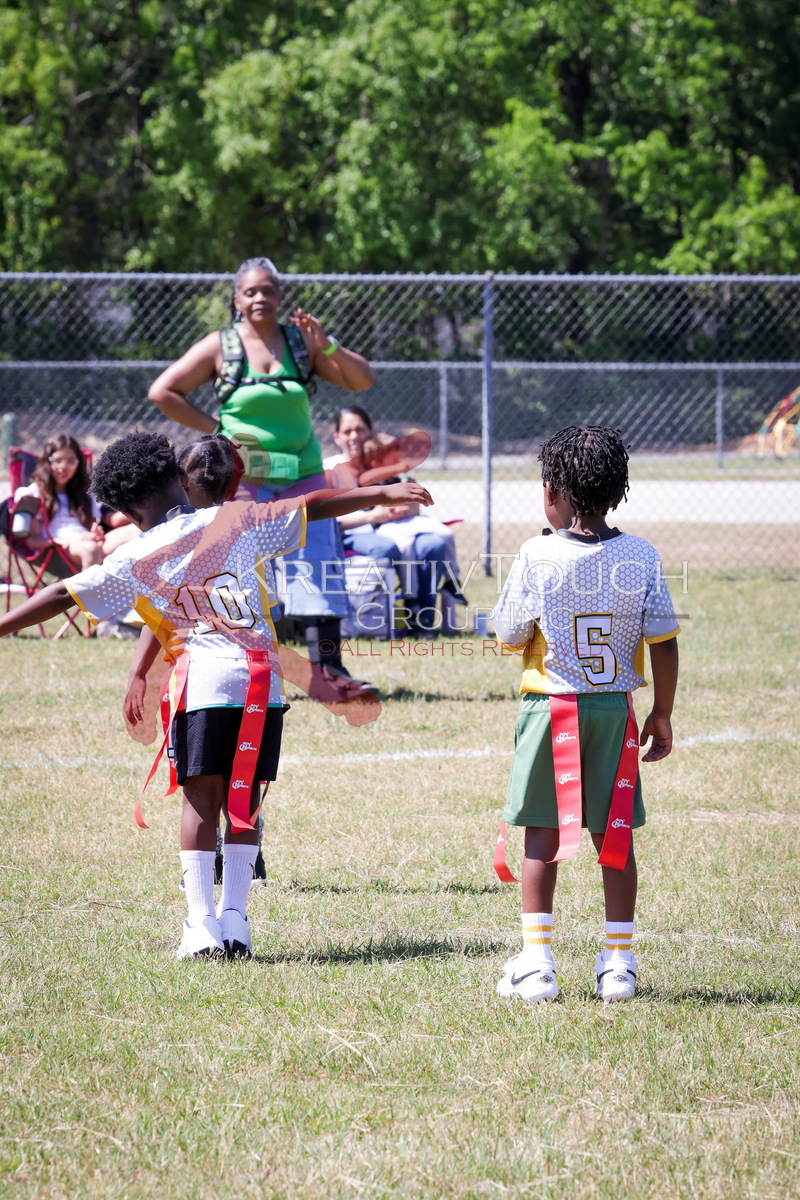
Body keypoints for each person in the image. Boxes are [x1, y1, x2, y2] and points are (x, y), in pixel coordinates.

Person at [0, 432, 432, 961]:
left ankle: (200, 924)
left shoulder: (135, 554)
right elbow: (313, 504)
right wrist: (382, 493)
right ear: (177, 477)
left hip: (204, 684)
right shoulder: (236, 520)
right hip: (261, 686)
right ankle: (236, 923)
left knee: (200, 801)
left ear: (129, 511)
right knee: (243, 802)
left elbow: (57, 595)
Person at [492, 426, 680, 1005]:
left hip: (550, 709)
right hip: (614, 712)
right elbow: (665, 642)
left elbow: (509, 633)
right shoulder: (641, 554)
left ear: (553, 492)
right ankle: (619, 964)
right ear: (618, 491)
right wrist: (662, 713)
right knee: (613, 836)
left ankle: (537, 964)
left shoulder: (536, 553)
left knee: (542, 834)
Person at [148, 256, 375, 681]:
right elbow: (163, 391)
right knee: (237, 570)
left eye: (268, 290)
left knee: (318, 567)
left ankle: (330, 671)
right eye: (250, 292)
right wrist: (216, 430)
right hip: (243, 480)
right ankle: (243, 667)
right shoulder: (220, 345)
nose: (260, 298)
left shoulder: (301, 343)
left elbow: (362, 381)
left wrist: (326, 345)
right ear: (236, 299)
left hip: (304, 474)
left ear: (280, 296)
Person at [325, 405, 464, 634]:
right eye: (347, 431)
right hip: (353, 533)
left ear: (370, 432)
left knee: (433, 544)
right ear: (337, 437)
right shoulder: (328, 469)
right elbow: (325, 519)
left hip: (392, 526)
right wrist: (372, 516)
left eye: (360, 429)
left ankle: (422, 622)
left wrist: (403, 508)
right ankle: (381, 621)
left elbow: (412, 497)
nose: (354, 436)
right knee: (386, 547)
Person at [12, 433, 136, 570]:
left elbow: (92, 526)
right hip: (57, 551)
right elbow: (31, 541)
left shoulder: (84, 493)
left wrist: (96, 532)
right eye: (58, 460)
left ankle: (138, 581)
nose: (64, 467)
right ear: (47, 461)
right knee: (90, 549)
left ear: (78, 464)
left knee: (137, 530)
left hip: (89, 543)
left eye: (71, 461)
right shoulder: (34, 493)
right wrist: (71, 541)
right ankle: (90, 584)